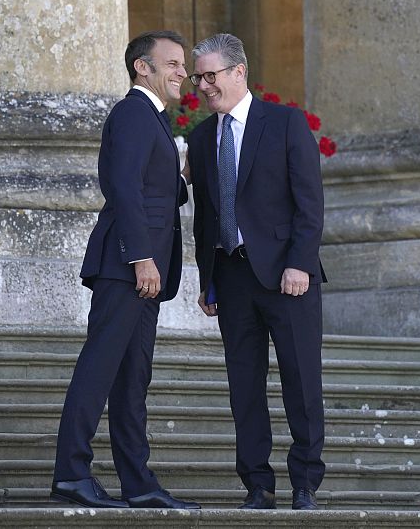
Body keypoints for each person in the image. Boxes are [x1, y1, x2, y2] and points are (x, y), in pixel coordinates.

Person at [51, 30, 199, 510]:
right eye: (173, 63)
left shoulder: (151, 119)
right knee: (98, 370)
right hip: (128, 267)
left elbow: (150, 187)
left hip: (142, 270)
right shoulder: (134, 112)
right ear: (143, 66)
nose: (183, 72)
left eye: (184, 64)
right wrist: (141, 257)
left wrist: (181, 177)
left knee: (132, 379)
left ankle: (138, 482)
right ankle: (72, 474)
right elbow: (123, 188)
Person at [186, 33, 326, 510]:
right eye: (197, 76)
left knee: (301, 383)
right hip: (232, 278)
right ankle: (257, 484)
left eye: (211, 75)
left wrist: (300, 263)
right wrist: (207, 277)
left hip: (289, 278)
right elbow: (205, 216)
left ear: (239, 71)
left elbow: (310, 203)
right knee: (244, 387)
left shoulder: (285, 123)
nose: (203, 86)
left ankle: (305, 483)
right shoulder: (203, 137)